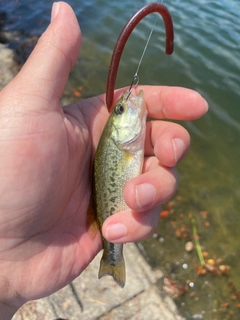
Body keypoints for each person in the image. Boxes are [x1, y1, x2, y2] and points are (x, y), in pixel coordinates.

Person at [0, 2, 208, 319]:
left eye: (119, 110)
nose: (129, 102)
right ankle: (113, 256)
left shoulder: (125, 140)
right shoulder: (124, 140)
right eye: (122, 111)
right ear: (118, 130)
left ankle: (112, 255)